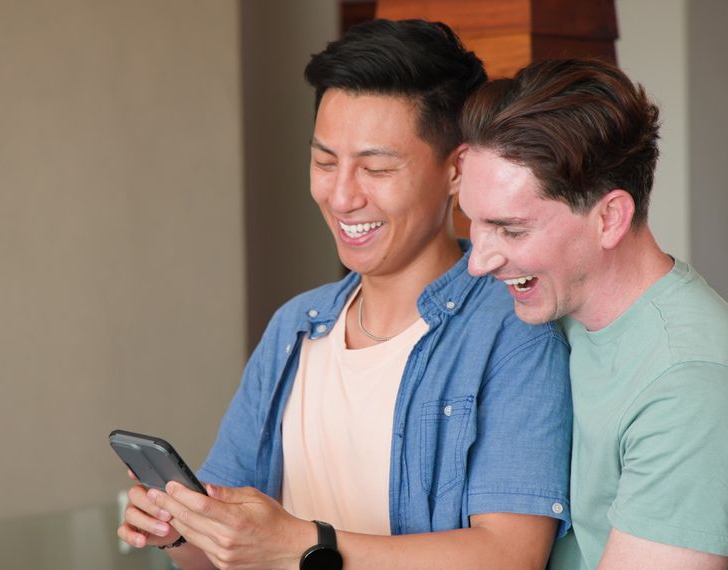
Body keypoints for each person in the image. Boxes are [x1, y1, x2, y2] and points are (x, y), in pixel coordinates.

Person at [117, 19, 573, 570]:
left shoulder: (514, 327)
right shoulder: (295, 328)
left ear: (456, 170)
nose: (340, 196)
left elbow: (509, 556)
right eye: (324, 162)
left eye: (377, 168)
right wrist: (180, 531)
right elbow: (221, 556)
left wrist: (305, 545)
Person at [458, 58, 728, 569]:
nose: (477, 261)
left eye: (511, 230)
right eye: (474, 222)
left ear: (610, 218)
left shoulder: (694, 387)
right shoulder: (557, 312)